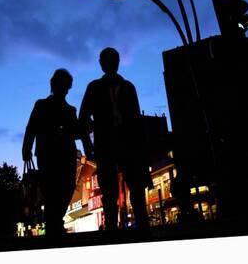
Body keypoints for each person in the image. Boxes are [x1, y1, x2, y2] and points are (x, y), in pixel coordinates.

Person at [79, 47, 152, 230]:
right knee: (110, 190)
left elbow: (136, 119)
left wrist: (141, 148)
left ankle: (141, 224)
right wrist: (88, 146)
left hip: (128, 143)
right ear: (103, 64)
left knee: (134, 186)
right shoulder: (95, 87)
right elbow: (83, 118)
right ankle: (112, 228)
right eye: (108, 60)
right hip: (107, 144)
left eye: (113, 60)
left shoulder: (128, 87)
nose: (111, 63)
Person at [22, 69, 84, 236]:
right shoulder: (41, 104)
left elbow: (75, 132)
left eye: (65, 85)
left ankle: (55, 221)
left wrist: (83, 127)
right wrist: (26, 148)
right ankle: (54, 223)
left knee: (66, 187)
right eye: (60, 84)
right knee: (51, 189)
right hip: (48, 153)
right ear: (54, 85)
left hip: (63, 153)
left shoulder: (70, 110)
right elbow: (31, 127)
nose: (63, 88)